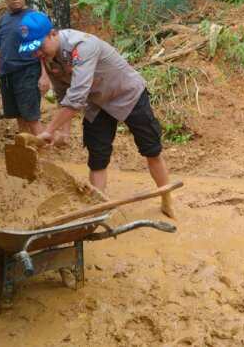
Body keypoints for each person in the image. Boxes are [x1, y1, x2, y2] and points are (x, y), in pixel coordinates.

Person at [26, 12, 175, 218]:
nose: (37, 53)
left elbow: (76, 98)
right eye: (32, 50)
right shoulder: (48, 58)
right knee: (97, 158)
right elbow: (64, 94)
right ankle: (97, 212)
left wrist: (49, 130)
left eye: (39, 46)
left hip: (127, 94)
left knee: (151, 150)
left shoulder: (82, 46)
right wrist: (63, 132)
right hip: (96, 103)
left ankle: (166, 199)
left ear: (52, 34)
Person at [0, 0, 50, 135]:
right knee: (19, 117)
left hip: (28, 72)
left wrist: (45, 75)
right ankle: (27, 149)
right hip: (7, 76)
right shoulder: (3, 20)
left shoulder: (34, 17)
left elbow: (45, 48)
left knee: (32, 118)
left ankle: (44, 148)